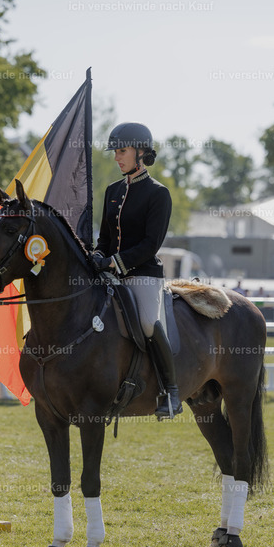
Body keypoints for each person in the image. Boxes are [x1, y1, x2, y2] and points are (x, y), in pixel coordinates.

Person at [92, 122, 182, 419]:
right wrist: (97, 256)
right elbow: (105, 239)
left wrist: (113, 262)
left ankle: (171, 391)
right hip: (111, 274)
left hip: (143, 274)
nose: (116, 157)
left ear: (141, 152)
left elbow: (150, 244)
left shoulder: (158, 193)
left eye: (122, 151)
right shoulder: (113, 190)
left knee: (147, 323)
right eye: (115, 152)